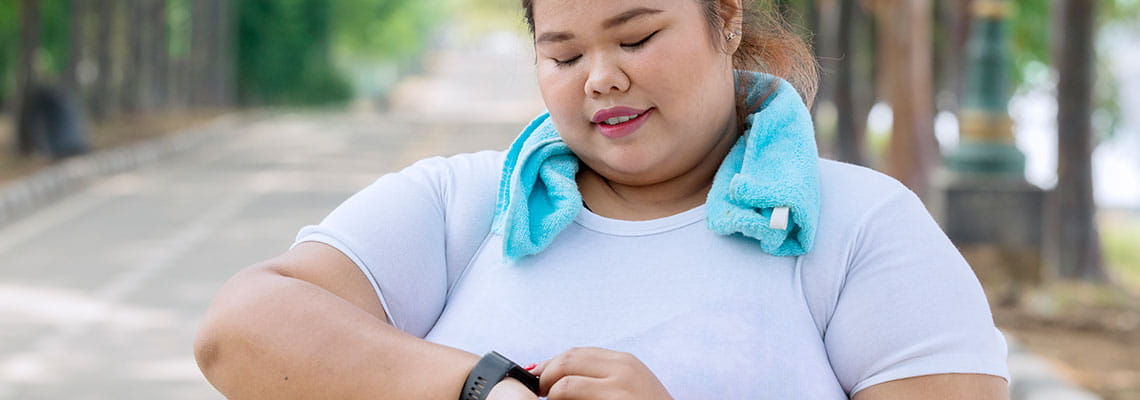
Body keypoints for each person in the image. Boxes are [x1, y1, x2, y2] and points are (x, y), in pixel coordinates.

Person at [194, 0, 1011, 398]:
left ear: (725, 18)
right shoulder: (466, 204)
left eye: (637, 37)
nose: (602, 78)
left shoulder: (862, 228)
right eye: (564, 54)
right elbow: (240, 329)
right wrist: (482, 388)